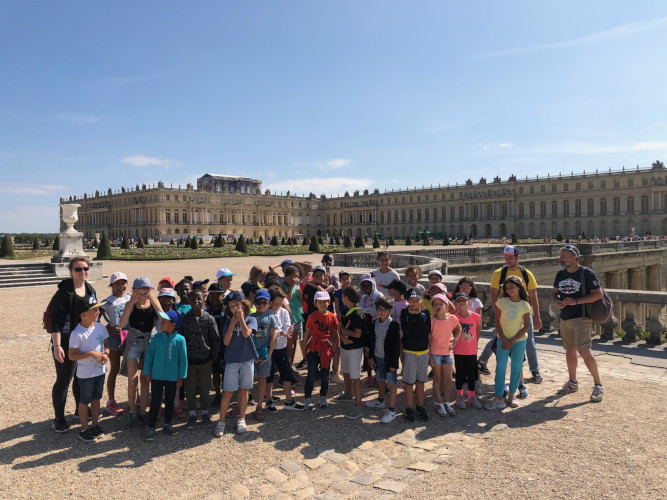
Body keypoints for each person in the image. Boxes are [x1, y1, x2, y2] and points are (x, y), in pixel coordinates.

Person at [477, 246, 544, 392]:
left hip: (524, 312)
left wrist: (537, 316)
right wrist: (498, 312)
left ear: (517, 257)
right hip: (505, 312)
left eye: (510, 257)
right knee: (497, 338)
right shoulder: (499, 273)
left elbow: (533, 296)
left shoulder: (527, 274)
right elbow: (493, 294)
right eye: (506, 257)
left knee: (529, 341)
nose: (507, 260)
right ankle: (482, 361)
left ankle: (534, 370)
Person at [50, 256, 98, 433]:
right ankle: (59, 418)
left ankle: (80, 409)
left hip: (84, 340)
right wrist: (57, 346)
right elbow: (56, 321)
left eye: (85, 268)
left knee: (81, 376)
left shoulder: (90, 288)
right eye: (78, 269)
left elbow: (94, 313)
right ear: (71, 272)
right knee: (64, 379)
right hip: (65, 341)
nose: (83, 272)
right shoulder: (64, 292)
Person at [553, 245, 604, 402]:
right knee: (569, 350)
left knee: (584, 351)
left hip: (582, 318)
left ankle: (598, 385)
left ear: (573, 257)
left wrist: (576, 301)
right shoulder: (560, 274)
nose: (560, 258)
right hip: (565, 317)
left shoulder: (586, 273)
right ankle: (572, 382)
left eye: (563, 255)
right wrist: (557, 302)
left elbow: (598, 294)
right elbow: (554, 292)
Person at [119, 277, 163, 430]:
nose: (144, 292)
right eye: (140, 289)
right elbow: (122, 324)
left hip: (148, 342)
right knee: (132, 379)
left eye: (147, 289)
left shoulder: (153, 302)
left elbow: (164, 319)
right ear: (134, 290)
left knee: (145, 379)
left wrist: (155, 302)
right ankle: (132, 411)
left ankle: (143, 412)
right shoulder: (130, 304)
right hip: (134, 340)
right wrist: (130, 303)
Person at [215, 292, 258, 437]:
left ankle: (242, 418)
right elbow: (226, 342)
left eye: (237, 305)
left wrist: (241, 320)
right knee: (227, 392)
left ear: (243, 304)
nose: (235, 308)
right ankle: (221, 421)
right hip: (232, 360)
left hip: (247, 360)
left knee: (244, 390)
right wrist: (233, 323)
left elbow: (247, 334)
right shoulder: (228, 321)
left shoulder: (252, 319)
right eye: (232, 307)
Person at [485, 276, 532, 410]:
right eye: (507, 288)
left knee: (516, 368)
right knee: (500, 368)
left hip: (519, 340)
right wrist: (504, 339)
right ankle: (499, 397)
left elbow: (526, 326)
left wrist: (512, 340)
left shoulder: (524, 305)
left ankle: (512, 395)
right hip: (502, 339)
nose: (509, 290)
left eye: (512, 287)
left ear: (519, 288)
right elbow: (497, 322)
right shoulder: (502, 302)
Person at [68, 298, 109, 442]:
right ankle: (84, 429)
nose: (98, 312)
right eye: (95, 310)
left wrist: (106, 354)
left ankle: (95, 425)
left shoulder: (100, 327)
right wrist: (90, 354)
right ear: (83, 314)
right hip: (86, 374)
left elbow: (106, 344)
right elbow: (71, 355)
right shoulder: (77, 333)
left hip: (100, 371)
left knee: (96, 399)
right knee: (84, 401)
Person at [143, 310, 188, 441]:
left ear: (173, 325)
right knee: (155, 401)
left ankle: (168, 424)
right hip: (156, 376)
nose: (161, 323)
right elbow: (149, 356)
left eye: (164, 322)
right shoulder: (157, 338)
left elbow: (183, 360)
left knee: (170, 401)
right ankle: (151, 427)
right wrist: (146, 371)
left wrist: (181, 377)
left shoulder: (180, 340)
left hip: (172, 378)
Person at [181, 289, 220, 429]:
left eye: (199, 299)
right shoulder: (185, 319)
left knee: (204, 388)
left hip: (205, 360)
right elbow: (182, 339)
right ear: (189, 301)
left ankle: (204, 412)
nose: (196, 302)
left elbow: (215, 339)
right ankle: (192, 414)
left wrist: (212, 356)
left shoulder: (209, 319)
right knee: (190, 389)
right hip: (190, 361)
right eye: (193, 299)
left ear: (204, 300)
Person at [266, 286, 304, 410]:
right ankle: (269, 400)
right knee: (269, 375)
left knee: (286, 373)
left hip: (281, 347)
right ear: (269, 302)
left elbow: (287, 326)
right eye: (275, 303)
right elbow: (269, 331)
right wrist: (280, 332)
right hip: (269, 349)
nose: (278, 306)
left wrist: (289, 330)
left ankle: (288, 401)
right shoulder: (266, 313)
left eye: (280, 303)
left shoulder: (284, 312)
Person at [365, 297, 401, 424]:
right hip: (378, 357)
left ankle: (391, 409)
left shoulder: (394, 325)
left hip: (389, 360)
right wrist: (371, 358)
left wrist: (394, 363)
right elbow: (372, 341)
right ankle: (380, 401)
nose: (381, 312)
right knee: (380, 379)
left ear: (390, 310)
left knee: (392, 383)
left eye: (384, 310)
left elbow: (396, 346)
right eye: (379, 309)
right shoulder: (374, 323)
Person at [101, 272, 130, 417]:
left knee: (133, 369)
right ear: (111, 285)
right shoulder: (106, 302)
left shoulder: (130, 298)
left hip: (129, 336)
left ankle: (135, 398)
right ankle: (111, 401)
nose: (121, 286)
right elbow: (95, 319)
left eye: (123, 283)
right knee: (115, 369)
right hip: (114, 338)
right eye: (118, 283)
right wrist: (107, 328)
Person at [304, 290, 339, 410]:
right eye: (320, 302)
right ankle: (307, 398)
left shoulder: (332, 317)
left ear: (329, 302)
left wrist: (337, 348)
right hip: (313, 348)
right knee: (311, 375)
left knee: (325, 375)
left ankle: (323, 397)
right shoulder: (312, 317)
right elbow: (307, 334)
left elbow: (335, 333)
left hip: (326, 348)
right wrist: (304, 351)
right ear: (315, 303)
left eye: (325, 302)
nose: (322, 304)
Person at [400, 288, 431, 422]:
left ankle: (420, 406)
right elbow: (406, 331)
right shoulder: (404, 312)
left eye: (416, 300)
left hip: (423, 352)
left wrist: (417, 316)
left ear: (421, 301)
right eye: (411, 300)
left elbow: (426, 330)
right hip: (409, 351)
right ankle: (409, 408)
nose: (414, 303)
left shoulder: (426, 313)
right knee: (408, 381)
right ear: (407, 301)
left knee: (420, 381)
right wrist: (413, 316)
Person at [337, 286, 367, 419]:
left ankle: (358, 406)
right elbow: (341, 329)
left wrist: (344, 331)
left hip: (355, 349)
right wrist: (342, 337)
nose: (341, 298)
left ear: (347, 298)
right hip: (345, 347)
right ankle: (348, 394)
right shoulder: (346, 311)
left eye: (343, 296)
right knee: (346, 372)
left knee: (355, 377)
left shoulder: (358, 314)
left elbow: (357, 334)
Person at [429, 294, 460, 417]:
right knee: (437, 378)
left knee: (448, 379)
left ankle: (446, 402)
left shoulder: (452, 318)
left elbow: (458, 328)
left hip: (447, 353)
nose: (438, 306)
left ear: (446, 306)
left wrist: (456, 339)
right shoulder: (431, 320)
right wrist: (429, 355)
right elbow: (428, 339)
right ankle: (438, 403)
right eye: (435, 304)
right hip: (435, 353)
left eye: (440, 304)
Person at [249, 289, 278, 421]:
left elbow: (273, 336)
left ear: (269, 303)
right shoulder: (250, 316)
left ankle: (259, 406)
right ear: (254, 303)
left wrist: (269, 354)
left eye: (264, 302)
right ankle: (241, 404)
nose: (261, 305)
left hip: (265, 354)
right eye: (258, 302)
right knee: (246, 381)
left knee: (262, 380)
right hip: (250, 354)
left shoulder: (271, 317)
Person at [453, 292, 482, 409]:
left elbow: (478, 330)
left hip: (471, 350)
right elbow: (454, 332)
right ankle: (459, 396)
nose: (461, 303)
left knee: (471, 374)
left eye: (463, 301)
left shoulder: (475, 316)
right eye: (459, 301)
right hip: (459, 350)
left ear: (468, 303)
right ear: (456, 304)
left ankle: (472, 396)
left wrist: (475, 343)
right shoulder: (454, 318)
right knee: (459, 374)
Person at [206, 283, 227, 408]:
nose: (214, 297)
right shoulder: (207, 312)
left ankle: (225, 393)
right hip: (212, 346)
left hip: (224, 346)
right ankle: (217, 394)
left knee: (225, 371)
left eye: (217, 295)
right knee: (215, 372)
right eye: (212, 294)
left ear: (223, 296)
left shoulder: (226, 310)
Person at [331, 270, 352, 383]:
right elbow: (337, 308)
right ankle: (336, 371)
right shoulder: (338, 293)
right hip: (342, 321)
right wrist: (341, 321)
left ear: (351, 279)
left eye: (347, 278)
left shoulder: (354, 291)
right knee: (338, 346)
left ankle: (347, 370)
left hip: (352, 320)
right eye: (343, 279)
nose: (345, 280)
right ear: (340, 280)